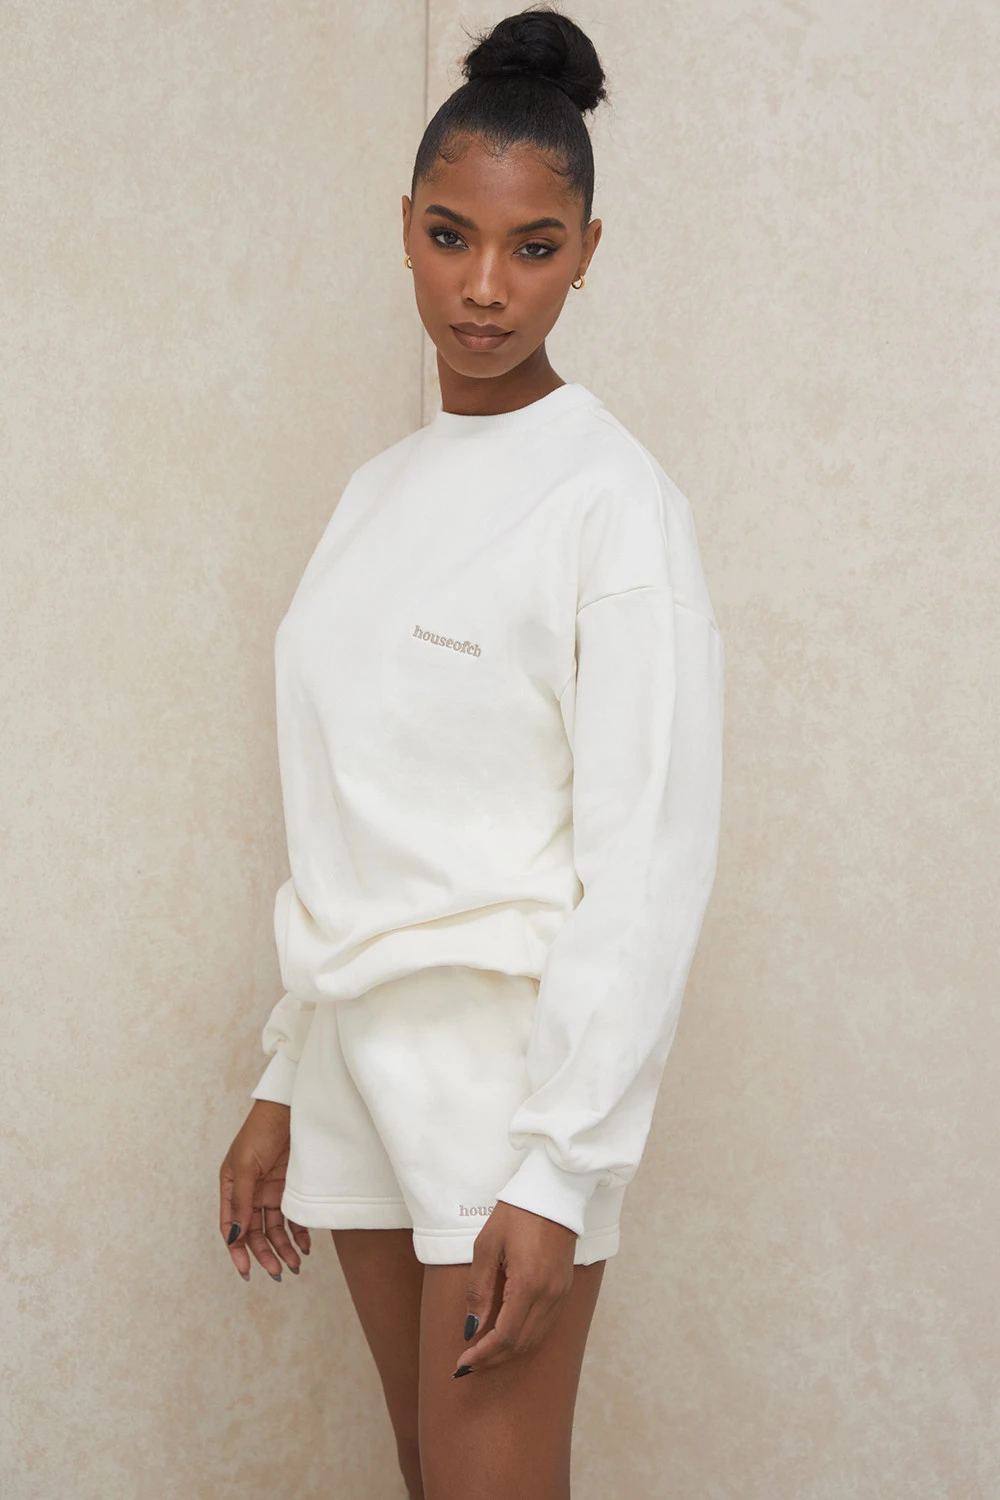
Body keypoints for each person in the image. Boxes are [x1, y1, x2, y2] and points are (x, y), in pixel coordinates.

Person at [218, 7, 724, 1497]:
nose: (486, 287)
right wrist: (286, 1068)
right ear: (406, 230)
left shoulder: (612, 506)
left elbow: (648, 861)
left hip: (506, 1096)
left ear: (587, 252)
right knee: (427, 1475)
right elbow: (351, 818)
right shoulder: (374, 496)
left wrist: (559, 1170)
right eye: (450, 237)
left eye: (533, 247)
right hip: (356, 1071)